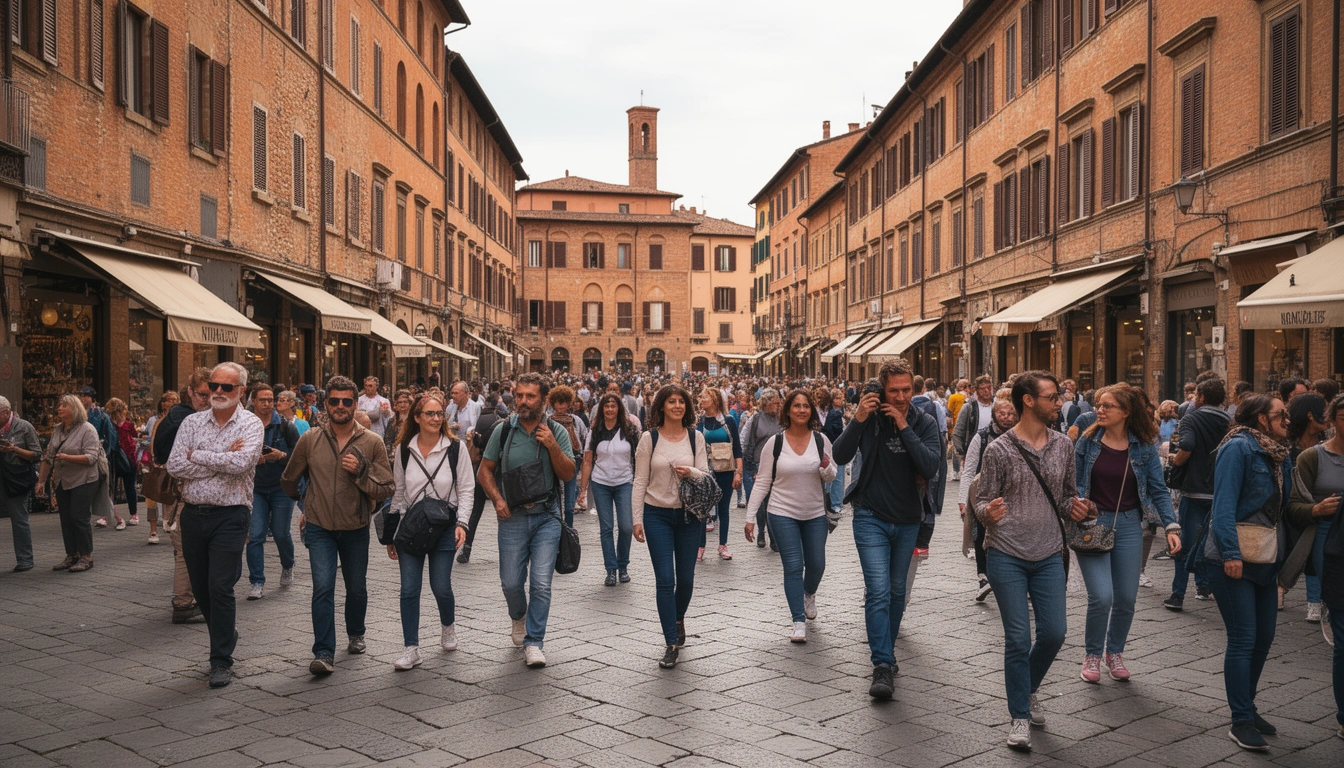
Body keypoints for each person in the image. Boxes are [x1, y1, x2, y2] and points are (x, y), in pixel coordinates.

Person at [974, 371, 1088, 751]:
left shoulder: (1062, 446)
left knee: (1055, 633)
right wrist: (986, 512)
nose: (1059, 403)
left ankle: (1029, 686)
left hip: (1049, 552)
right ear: (1029, 401)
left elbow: (1067, 496)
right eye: (1053, 397)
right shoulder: (999, 449)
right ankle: (1019, 715)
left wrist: (1080, 508)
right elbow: (981, 499)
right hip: (1006, 552)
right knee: (1019, 638)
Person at [831, 361, 943, 700]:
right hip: (870, 515)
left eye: (906, 390)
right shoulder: (870, 420)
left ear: (914, 388)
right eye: (893, 390)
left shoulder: (924, 422)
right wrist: (860, 418)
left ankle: (886, 651)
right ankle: (882, 662)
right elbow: (840, 453)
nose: (900, 396)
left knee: (896, 591)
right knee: (878, 589)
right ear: (882, 389)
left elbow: (930, 465)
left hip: (909, 517)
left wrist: (904, 426)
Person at [1194, 394, 1291, 751]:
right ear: (1262, 419)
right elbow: (1223, 505)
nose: (1287, 419)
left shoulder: (1280, 453)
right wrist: (1230, 553)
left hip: (1266, 557)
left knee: (1264, 636)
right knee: (1243, 638)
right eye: (1281, 414)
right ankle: (1240, 720)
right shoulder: (1238, 448)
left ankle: (1247, 706)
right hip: (1231, 557)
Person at [281, 376, 395, 677]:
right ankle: (323, 651)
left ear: (355, 404)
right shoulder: (310, 439)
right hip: (319, 526)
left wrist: (362, 472)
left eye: (347, 401)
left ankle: (356, 631)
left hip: (356, 526)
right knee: (323, 587)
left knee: (356, 587)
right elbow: (290, 479)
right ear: (326, 403)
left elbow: (386, 487)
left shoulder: (371, 442)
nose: (340, 406)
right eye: (334, 401)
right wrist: (306, 503)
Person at [1073, 384, 1182, 684]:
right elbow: (1071, 484)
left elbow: (1159, 491)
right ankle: (1092, 654)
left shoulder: (1144, 446)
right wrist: (1075, 505)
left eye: (1108, 406)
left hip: (1130, 525)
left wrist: (1171, 526)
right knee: (1101, 596)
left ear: (1126, 411)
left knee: (1125, 598)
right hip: (1092, 526)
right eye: (1098, 404)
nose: (1100, 410)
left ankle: (1115, 652)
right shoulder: (1087, 441)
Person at [166, 363, 266, 689]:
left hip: (231, 514)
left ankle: (220, 659)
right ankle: (226, 633)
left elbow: (241, 465)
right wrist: (221, 454)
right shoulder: (192, 422)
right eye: (214, 385)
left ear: (241, 392)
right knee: (200, 588)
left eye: (227, 387)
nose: (218, 392)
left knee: (220, 586)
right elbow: (175, 465)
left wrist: (201, 455)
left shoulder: (250, 424)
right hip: (193, 514)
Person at [476, 372, 575, 669]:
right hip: (512, 516)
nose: (523, 401)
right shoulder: (503, 430)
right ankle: (518, 615)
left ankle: (535, 642)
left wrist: (552, 446)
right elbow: (485, 470)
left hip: (546, 516)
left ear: (543, 400)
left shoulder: (556, 431)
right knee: (510, 583)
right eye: (519, 395)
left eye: (530, 396)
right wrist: (498, 499)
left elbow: (568, 474)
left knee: (542, 584)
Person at [387, 392, 474, 670]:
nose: (436, 419)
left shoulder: (456, 448)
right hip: (411, 526)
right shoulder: (404, 449)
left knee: (441, 587)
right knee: (409, 589)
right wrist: (391, 532)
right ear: (416, 417)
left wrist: (462, 523)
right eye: (430, 414)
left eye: (440, 414)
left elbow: (467, 489)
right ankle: (411, 648)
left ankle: (447, 626)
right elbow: (398, 492)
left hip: (444, 524)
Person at [745, 389, 836, 644]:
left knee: (817, 564)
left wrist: (826, 469)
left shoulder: (821, 441)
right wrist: (750, 516)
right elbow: (763, 482)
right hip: (781, 512)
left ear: (812, 411)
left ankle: (808, 593)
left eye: (806, 406)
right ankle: (798, 621)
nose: (801, 410)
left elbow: (832, 476)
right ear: (787, 410)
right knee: (794, 566)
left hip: (815, 512)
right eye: (796, 406)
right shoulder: (775, 443)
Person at [631, 384, 711, 669]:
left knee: (686, 579)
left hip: (689, 516)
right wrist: (636, 519)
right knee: (665, 580)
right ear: (662, 406)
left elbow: (704, 474)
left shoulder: (695, 437)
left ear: (686, 407)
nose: (677, 406)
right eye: (671, 401)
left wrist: (690, 471)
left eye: (681, 402)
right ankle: (670, 642)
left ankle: (678, 618)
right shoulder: (648, 438)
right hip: (657, 515)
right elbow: (640, 480)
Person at [1284, 394, 1343, 663]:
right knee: (1336, 595)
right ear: (1331, 420)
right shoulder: (1312, 457)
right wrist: (1316, 510)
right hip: (1327, 534)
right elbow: (1293, 507)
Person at [1164, 377, 1230, 610]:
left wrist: (1176, 464)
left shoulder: (1191, 418)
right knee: (1212, 543)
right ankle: (1204, 586)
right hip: (1220, 490)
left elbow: (1187, 446)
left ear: (1201, 397)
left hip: (1194, 491)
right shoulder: (1229, 420)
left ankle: (1178, 594)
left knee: (1184, 543)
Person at [155, 369, 213, 623]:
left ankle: (190, 598)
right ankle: (183, 603)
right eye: (202, 394)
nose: (208, 400)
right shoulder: (185, 421)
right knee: (185, 551)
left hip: (181, 494)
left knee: (185, 550)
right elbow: (173, 461)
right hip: (181, 494)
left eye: (212, 394)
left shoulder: (175, 415)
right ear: (190, 392)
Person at [37, 394, 107, 573]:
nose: (59, 408)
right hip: (63, 480)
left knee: (78, 516)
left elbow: (91, 457)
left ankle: (86, 556)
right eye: (59, 405)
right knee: (66, 518)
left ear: (74, 408)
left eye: (64, 405)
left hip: (84, 479)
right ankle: (72, 554)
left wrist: (68, 457)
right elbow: (48, 457)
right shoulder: (58, 430)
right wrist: (41, 481)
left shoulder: (87, 429)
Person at [959, 399, 1018, 602]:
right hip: (982, 493)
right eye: (1002, 414)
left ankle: (1011, 581)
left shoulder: (1021, 436)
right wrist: (962, 500)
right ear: (994, 414)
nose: (1007, 418)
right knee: (980, 535)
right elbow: (969, 469)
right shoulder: (982, 437)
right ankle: (983, 579)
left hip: (1012, 495)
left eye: (1011, 414)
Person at [245, 383, 300, 600]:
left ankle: (288, 565)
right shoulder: (245, 424)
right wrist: (250, 459)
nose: (268, 404)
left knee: (280, 533)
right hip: (255, 488)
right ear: (253, 401)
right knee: (256, 535)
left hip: (281, 488)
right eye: (263, 400)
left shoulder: (285, 425)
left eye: (271, 400)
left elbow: (298, 455)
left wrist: (281, 455)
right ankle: (257, 581)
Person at [578, 393, 638, 585]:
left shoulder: (629, 430)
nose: (610, 409)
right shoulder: (594, 431)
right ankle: (611, 569)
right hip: (600, 482)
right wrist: (582, 489)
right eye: (606, 406)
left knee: (626, 526)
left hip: (624, 482)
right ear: (602, 409)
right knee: (606, 528)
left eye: (613, 406)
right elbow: (587, 461)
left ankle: (623, 565)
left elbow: (638, 457)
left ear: (619, 408)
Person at [1286, 393, 1329, 622]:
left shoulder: (1329, 442)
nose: (1329, 415)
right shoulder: (1288, 446)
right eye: (1324, 410)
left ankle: (1320, 600)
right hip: (1296, 506)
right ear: (1311, 415)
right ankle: (1311, 600)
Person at [696, 388, 742, 562]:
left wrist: (738, 472)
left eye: (705, 397)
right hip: (705, 471)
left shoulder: (728, 421)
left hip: (726, 470)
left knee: (723, 510)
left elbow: (737, 447)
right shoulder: (700, 420)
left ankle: (723, 545)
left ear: (715, 400)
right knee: (702, 510)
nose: (702, 400)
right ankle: (700, 547)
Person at [457, 393, 503, 564]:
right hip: (494, 473)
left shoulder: (486, 420)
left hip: (479, 468)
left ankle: (466, 549)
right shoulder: (501, 425)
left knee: (475, 512)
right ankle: (466, 546)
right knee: (497, 512)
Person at [1, 396, 42, 571]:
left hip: (16, 478)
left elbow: (37, 454)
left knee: (19, 519)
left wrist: (14, 450)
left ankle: (25, 559)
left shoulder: (24, 427)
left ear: (5, 412)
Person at [741, 389, 783, 550]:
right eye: (776, 403)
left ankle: (773, 537)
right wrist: (747, 465)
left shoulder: (782, 418)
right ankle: (760, 532)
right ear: (766, 403)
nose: (778, 406)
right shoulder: (755, 419)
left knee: (772, 502)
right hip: (757, 464)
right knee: (760, 502)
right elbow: (745, 441)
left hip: (777, 465)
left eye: (779, 403)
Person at [80, 386, 126, 530]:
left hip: (98, 455)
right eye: (81, 395)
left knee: (103, 487)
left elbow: (110, 437)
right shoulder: (82, 413)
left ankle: (117, 518)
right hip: (85, 455)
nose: (82, 398)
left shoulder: (99, 414)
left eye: (85, 395)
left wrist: (105, 454)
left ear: (91, 398)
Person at [140, 391, 179, 544]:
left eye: (175, 400)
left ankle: (170, 521)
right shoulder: (153, 420)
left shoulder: (181, 419)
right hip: (154, 462)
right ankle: (153, 529)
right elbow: (149, 439)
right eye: (169, 400)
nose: (172, 403)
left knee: (171, 494)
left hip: (172, 462)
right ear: (163, 403)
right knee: (151, 496)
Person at [547, 386, 588, 528]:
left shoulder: (575, 420)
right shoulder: (548, 421)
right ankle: (555, 528)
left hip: (573, 461)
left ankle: (568, 531)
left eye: (564, 402)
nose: (561, 406)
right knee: (554, 498)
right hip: (553, 461)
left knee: (569, 503)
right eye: (558, 402)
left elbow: (584, 437)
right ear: (553, 404)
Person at [105, 398, 141, 528]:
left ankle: (133, 513)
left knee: (128, 487)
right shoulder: (110, 425)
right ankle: (109, 514)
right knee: (112, 487)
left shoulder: (127, 425)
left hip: (127, 459)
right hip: (117, 458)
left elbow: (135, 437)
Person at [953, 375, 996, 469]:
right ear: (976, 390)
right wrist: (963, 454)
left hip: (995, 451)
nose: (987, 391)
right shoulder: (969, 407)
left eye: (989, 387)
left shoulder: (997, 406)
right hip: (975, 451)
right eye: (982, 389)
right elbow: (957, 432)